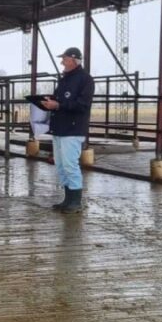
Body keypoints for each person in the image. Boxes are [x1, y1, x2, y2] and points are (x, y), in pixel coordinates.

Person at [41, 47, 94, 213]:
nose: (62, 62)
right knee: (61, 165)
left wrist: (58, 105)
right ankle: (67, 200)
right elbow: (61, 100)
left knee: (70, 165)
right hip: (59, 128)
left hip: (73, 129)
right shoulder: (64, 79)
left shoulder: (85, 80)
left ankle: (75, 202)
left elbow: (82, 105)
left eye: (64, 59)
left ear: (73, 60)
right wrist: (50, 102)